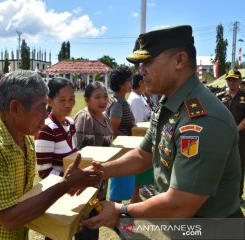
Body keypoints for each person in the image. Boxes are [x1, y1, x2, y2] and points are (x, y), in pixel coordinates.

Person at [81, 25, 243, 237]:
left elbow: (181, 204)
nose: (141, 71)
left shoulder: (204, 119)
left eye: (148, 62)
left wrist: (122, 211)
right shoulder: (169, 104)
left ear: (179, 60)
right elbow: (143, 155)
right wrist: (101, 171)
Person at [0, 71, 102, 240]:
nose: (46, 114)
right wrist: (65, 185)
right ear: (15, 108)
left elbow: (24, 202)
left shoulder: (26, 141)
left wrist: (67, 218)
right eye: (41, 107)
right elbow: (10, 218)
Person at [74, 81, 114, 240]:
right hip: (86, 186)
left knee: (93, 226)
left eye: (105, 96)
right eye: (97, 97)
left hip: (101, 183)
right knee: (86, 230)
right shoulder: (85, 118)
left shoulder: (105, 116)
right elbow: (80, 154)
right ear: (87, 99)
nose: (103, 100)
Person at [35, 78, 77, 179]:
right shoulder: (47, 129)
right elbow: (44, 172)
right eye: (62, 100)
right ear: (49, 101)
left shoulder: (70, 123)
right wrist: (71, 181)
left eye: (71, 99)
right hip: (58, 191)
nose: (68, 104)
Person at [105, 65, 136, 203]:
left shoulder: (121, 100)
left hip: (124, 149)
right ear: (121, 84)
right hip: (121, 150)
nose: (131, 83)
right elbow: (112, 129)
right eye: (129, 80)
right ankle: (113, 216)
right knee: (118, 188)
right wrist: (130, 140)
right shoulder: (118, 103)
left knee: (122, 186)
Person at [218, 69, 245, 204]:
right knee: (221, 165)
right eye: (229, 79)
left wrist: (235, 130)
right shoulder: (219, 96)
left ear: (240, 81)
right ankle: (222, 193)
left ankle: (237, 195)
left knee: (239, 166)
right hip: (222, 138)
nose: (231, 82)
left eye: (234, 79)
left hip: (240, 138)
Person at [127, 73, 154, 203]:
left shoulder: (140, 97)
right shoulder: (136, 99)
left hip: (143, 137)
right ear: (140, 83)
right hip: (139, 138)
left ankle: (137, 195)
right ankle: (135, 197)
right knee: (138, 171)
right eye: (145, 81)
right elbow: (138, 122)